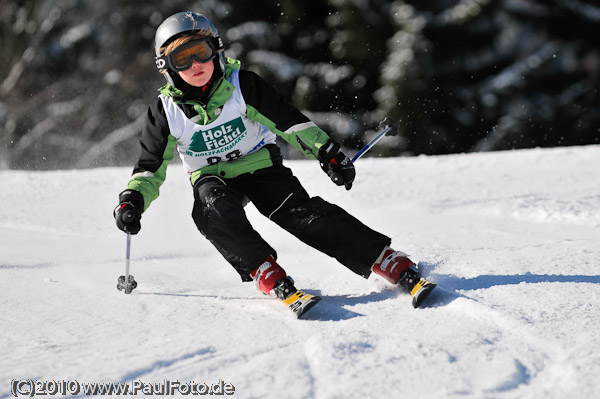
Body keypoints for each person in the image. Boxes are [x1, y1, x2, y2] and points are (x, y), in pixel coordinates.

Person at [114, 11, 424, 303]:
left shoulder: (242, 86)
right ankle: (264, 269)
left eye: (202, 51)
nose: (196, 64)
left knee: (301, 214)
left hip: (260, 164)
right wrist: (133, 200)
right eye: (183, 58)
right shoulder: (164, 112)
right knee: (211, 211)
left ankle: (383, 258)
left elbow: (289, 122)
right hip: (212, 176)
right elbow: (150, 167)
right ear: (166, 67)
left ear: (217, 50)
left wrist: (326, 152)